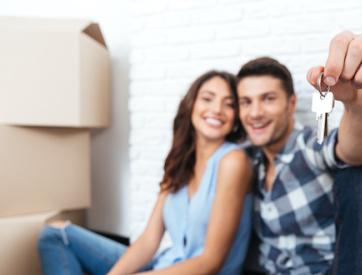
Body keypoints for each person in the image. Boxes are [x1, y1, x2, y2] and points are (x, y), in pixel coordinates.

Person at [38, 70, 253, 275]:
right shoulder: (181, 160)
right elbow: (149, 239)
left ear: (236, 117)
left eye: (229, 104)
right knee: (56, 234)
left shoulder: (233, 161)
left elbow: (210, 263)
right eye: (208, 99)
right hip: (164, 265)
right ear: (191, 105)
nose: (217, 109)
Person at [238, 31, 362, 275]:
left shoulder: (307, 147)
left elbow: (355, 152)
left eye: (268, 99)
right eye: (246, 102)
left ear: (291, 104)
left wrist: (360, 109)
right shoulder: (245, 160)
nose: (255, 113)